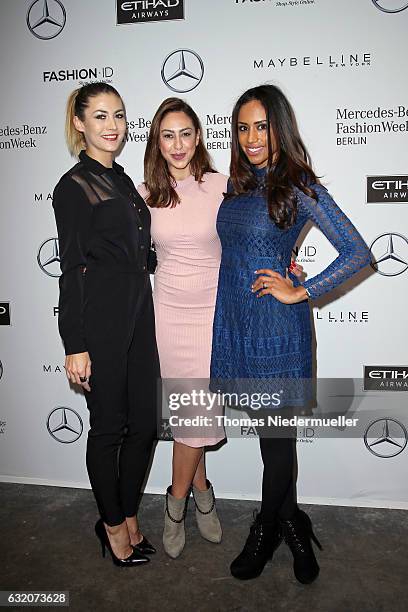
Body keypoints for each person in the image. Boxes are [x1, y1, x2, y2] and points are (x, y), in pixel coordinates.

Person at [210, 84, 371, 583]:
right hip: (238, 326)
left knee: (277, 440)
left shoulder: (299, 184)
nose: (252, 137)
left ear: (280, 127)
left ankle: (266, 526)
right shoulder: (236, 185)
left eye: (262, 126)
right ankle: (292, 520)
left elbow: (357, 251)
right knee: (272, 439)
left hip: (278, 331)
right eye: (243, 127)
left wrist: (301, 290)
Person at [52, 82, 160, 567]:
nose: (112, 125)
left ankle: (130, 514)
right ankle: (112, 527)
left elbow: (138, 249)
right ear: (79, 124)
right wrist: (75, 343)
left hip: (142, 316)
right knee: (108, 429)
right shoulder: (73, 187)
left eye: (118, 114)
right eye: (99, 116)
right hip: (103, 323)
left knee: (144, 426)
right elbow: (72, 267)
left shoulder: (123, 182)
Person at [137, 98, 227, 559]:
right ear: (157, 140)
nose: (177, 145)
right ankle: (201, 493)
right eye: (167, 135)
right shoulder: (145, 193)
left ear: (198, 136)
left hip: (214, 313)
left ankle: (176, 503)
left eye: (185, 133)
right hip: (168, 315)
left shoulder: (221, 186)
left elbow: (251, 236)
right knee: (192, 414)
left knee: (197, 414)